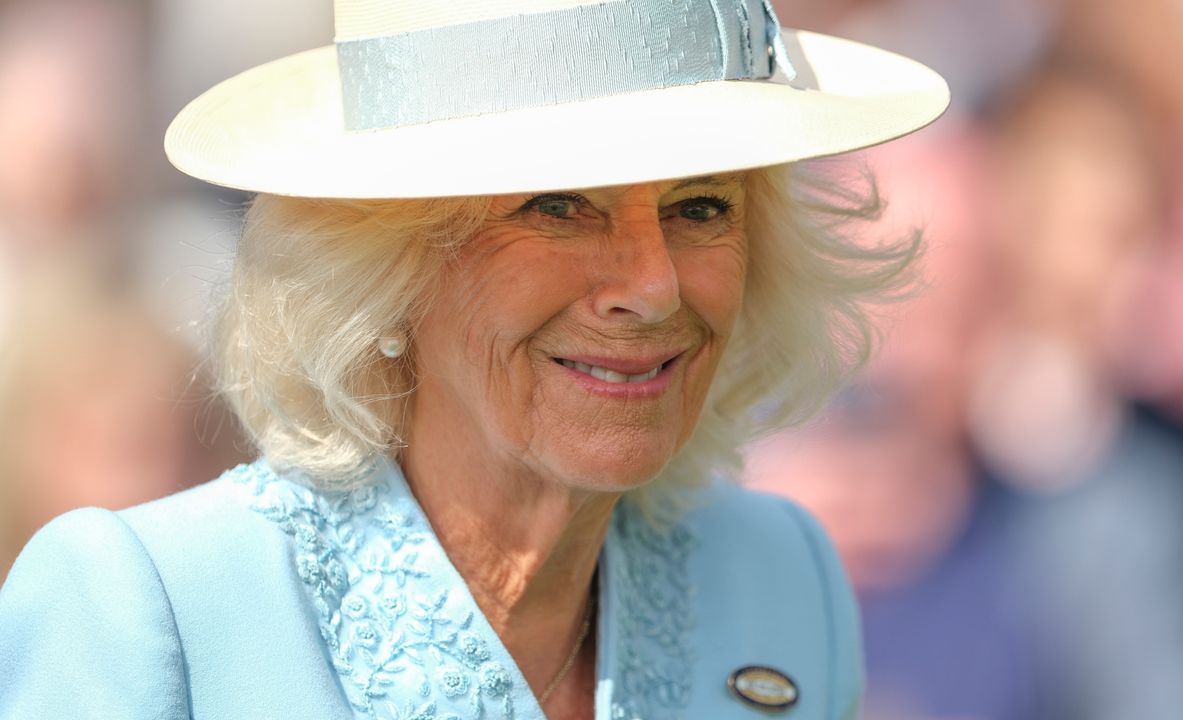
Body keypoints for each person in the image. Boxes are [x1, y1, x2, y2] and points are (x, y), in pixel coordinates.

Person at [0, 1, 947, 717]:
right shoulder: (145, 606)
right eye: (556, 205)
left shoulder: (785, 578)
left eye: (702, 207)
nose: (652, 284)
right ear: (388, 262)